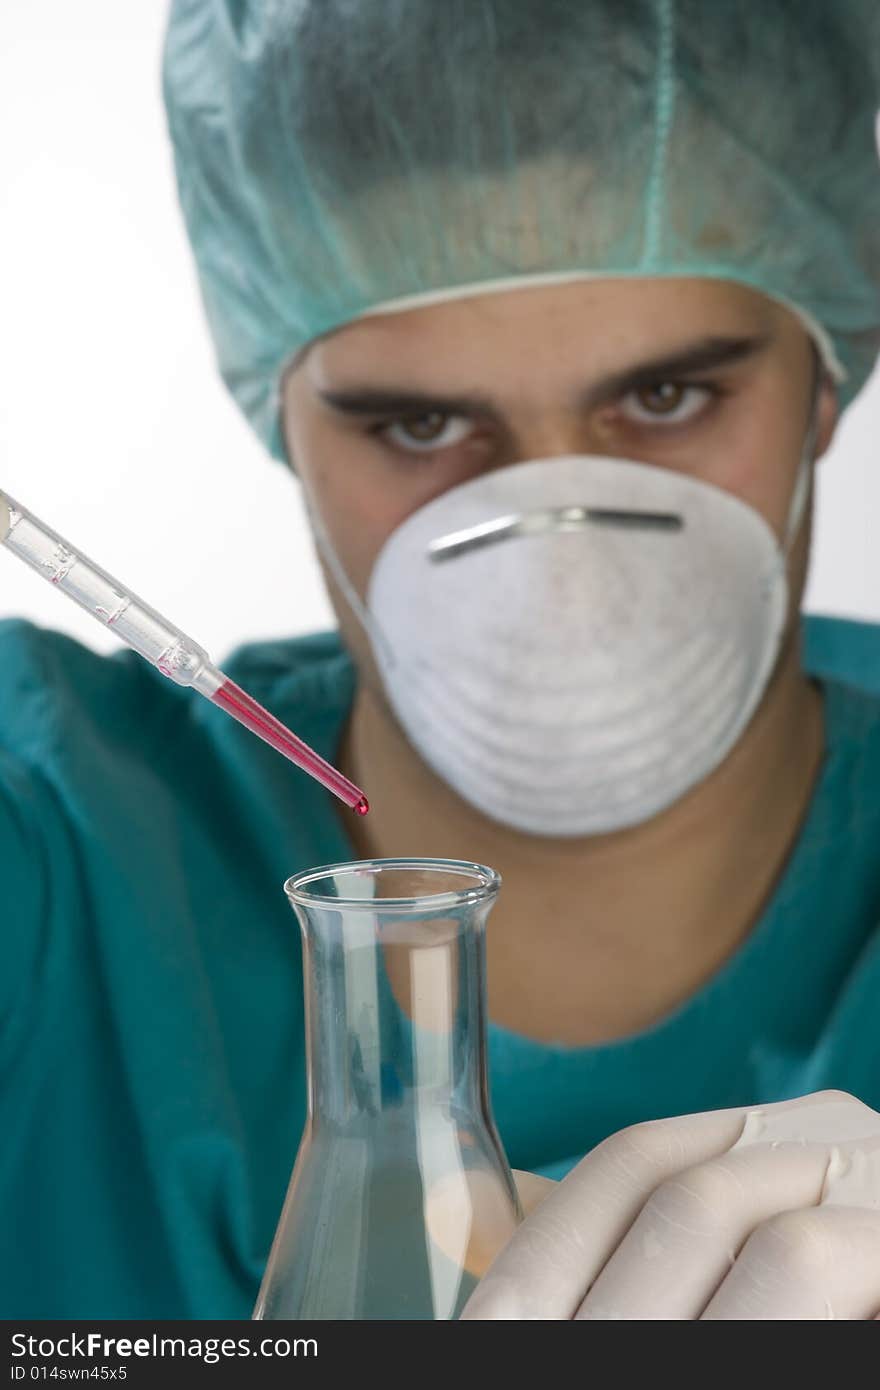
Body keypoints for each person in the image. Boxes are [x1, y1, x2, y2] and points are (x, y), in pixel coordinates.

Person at [3, 0, 880, 1319]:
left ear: (823, 381)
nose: (559, 558)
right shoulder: (58, 836)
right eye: (418, 423)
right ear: (280, 416)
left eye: (665, 396)